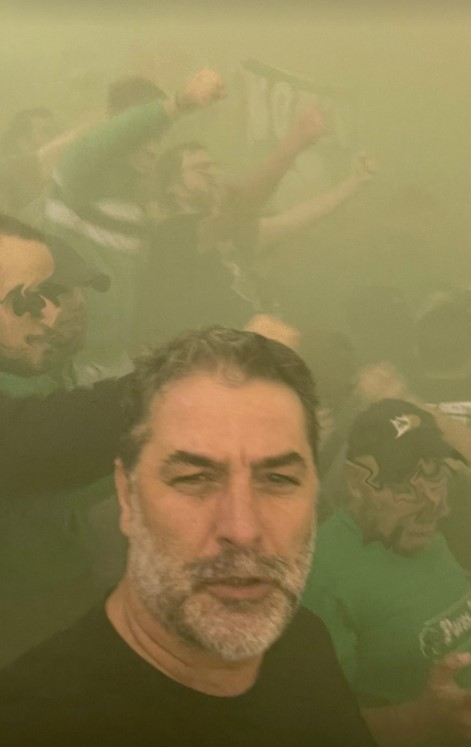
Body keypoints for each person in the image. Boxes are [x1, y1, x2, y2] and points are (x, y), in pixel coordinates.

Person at [0, 327, 377, 747]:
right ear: (127, 496)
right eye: (195, 478)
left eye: (278, 479)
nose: (242, 530)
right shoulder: (31, 724)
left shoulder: (304, 641)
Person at [302, 398, 471, 747]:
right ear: (355, 481)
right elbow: (319, 728)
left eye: (434, 474)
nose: (432, 501)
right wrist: (425, 719)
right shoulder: (323, 576)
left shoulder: (421, 530)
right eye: (402, 482)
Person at [0, 213, 126, 666]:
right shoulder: (18, 387)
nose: (63, 310)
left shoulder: (40, 365)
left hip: (60, 581)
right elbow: (40, 449)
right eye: (36, 297)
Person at [44, 67, 225, 380]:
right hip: (67, 365)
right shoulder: (76, 175)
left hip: (115, 363)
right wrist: (179, 103)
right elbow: (109, 137)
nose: (152, 147)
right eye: (144, 135)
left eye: (158, 137)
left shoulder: (134, 209)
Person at [137, 128, 375, 343]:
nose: (212, 174)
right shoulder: (174, 232)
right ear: (173, 188)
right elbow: (246, 204)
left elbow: (294, 220)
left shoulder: (225, 233)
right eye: (200, 168)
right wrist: (295, 142)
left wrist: (354, 182)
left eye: (213, 166)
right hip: (208, 365)